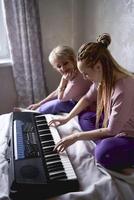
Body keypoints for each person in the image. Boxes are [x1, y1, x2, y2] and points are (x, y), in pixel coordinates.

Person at [49, 33, 134, 173]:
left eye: (86, 73)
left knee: (102, 154)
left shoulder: (123, 89)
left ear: (98, 66)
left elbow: (112, 130)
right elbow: (87, 98)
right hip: (116, 127)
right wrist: (67, 118)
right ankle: (106, 142)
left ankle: (107, 145)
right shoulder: (103, 79)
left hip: (129, 134)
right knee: (85, 117)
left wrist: (76, 137)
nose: (84, 77)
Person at [26, 45, 92, 114]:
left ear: (73, 59)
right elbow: (58, 91)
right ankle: (33, 111)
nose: (63, 68)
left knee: (57, 104)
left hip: (83, 106)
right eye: (59, 66)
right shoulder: (69, 73)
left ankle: (31, 113)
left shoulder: (79, 76)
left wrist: (63, 80)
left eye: (65, 63)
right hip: (74, 101)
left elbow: (61, 99)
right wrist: (39, 103)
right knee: (48, 104)